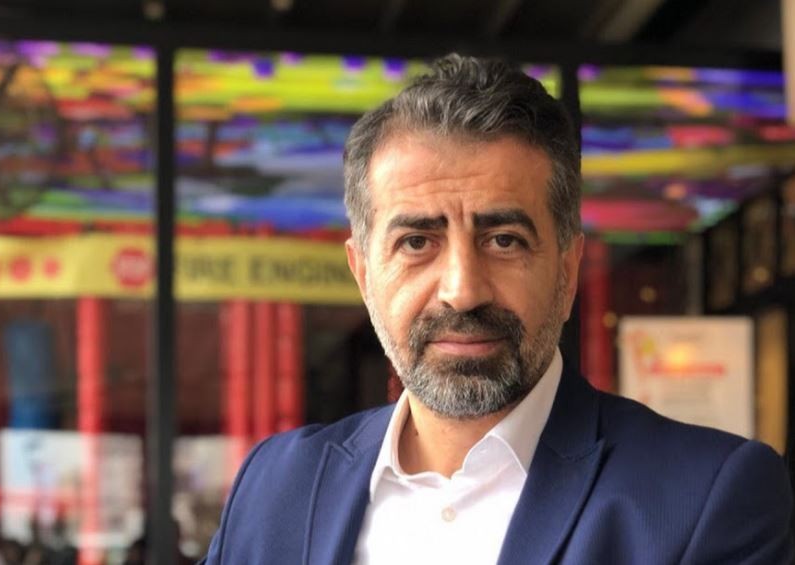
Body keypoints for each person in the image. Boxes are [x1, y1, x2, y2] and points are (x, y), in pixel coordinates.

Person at [202, 54, 793, 564]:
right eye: (417, 241)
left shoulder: (706, 498)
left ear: (567, 268)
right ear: (362, 273)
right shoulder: (273, 486)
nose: (463, 291)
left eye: (504, 240)